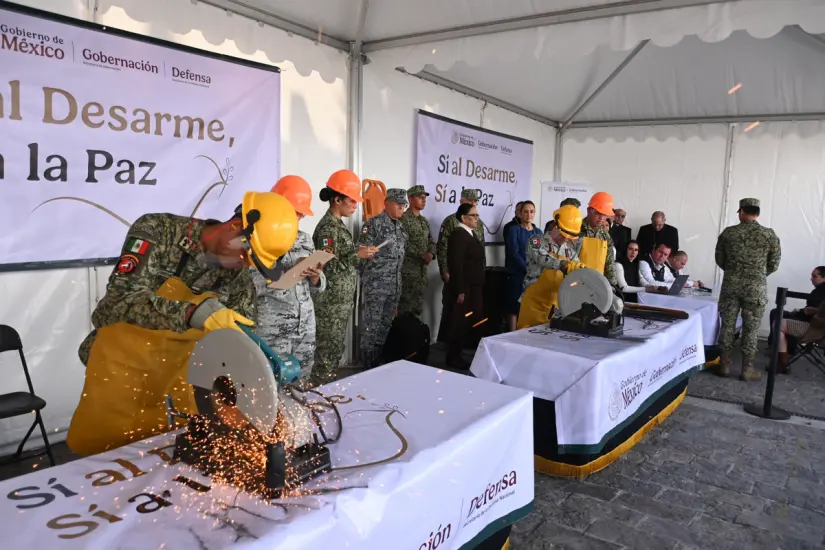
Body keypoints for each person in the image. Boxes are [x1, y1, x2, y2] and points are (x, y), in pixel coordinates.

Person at [68, 191, 300, 456]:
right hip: (121, 383)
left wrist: (261, 403)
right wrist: (191, 313)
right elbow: (116, 304)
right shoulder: (159, 231)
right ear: (236, 227)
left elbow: (242, 353)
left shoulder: (239, 282)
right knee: (104, 467)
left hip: (179, 396)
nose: (245, 265)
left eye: (253, 262)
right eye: (247, 254)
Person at [253, 176, 325, 381]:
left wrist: (315, 278)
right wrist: (288, 270)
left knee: (301, 383)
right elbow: (250, 283)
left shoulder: (304, 238)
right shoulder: (258, 238)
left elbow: (317, 287)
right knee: (271, 385)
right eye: (296, 211)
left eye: (302, 213)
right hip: (274, 329)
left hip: (305, 327)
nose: (300, 216)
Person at [311, 170, 378, 387]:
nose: (355, 205)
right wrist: (355, 254)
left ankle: (325, 395)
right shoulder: (327, 228)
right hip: (329, 304)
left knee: (333, 351)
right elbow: (326, 264)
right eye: (352, 200)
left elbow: (342, 258)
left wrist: (359, 253)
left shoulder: (339, 226)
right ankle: (318, 398)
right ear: (336, 199)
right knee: (326, 355)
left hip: (339, 303)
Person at [711, 198, 781, 381]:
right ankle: (746, 369)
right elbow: (774, 264)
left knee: (727, 325)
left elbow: (720, 259)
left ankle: (724, 365)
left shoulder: (729, 233)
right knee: (751, 329)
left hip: (731, 286)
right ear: (757, 213)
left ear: (741, 211)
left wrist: (734, 271)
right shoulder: (769, 235)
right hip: (755, 289)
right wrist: (757, 274)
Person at [358, 188, 410, 368]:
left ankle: (378, 360)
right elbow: (361, 252)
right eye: (398, 204)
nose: (402, 208)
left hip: (394, 285)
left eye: (404, 205)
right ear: (386, 203)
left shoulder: (402, 227)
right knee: (371, 326)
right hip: (376, 285)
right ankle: (366, 364)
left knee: (385, 325)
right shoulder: (373, 224)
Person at [518, 205, 586, 330]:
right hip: (533, 305)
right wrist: (563, 265)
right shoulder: (536, 241)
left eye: (570, 236)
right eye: (563, 233)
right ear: (555, 225)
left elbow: (578, 268)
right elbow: (543, 258)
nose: (566, 238)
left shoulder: (569, 250)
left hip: (556, 307)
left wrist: (581, 270)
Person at [436, 189, 485, 342]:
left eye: (475, 202)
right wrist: (444, 269)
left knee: (469, 314)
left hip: (472, 276)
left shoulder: (478, 224)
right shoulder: (452, 222)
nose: (473, 205)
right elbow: (445, 249)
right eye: (470, 202)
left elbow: (480, 247)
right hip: (458, 275)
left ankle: (464, 344)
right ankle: (446, 345)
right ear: (462, 203)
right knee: (453, 310)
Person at [446, 203, 487, 369]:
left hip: (473, 285)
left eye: (477, 215)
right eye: (474, 215)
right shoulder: (459, 234)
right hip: (465, 287)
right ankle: (453, 357)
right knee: (459, 322)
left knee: (473, 319)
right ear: (463, 218)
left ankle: (462, 352)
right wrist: (460, 290)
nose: (477, 219)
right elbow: (456, 264)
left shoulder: (469, 233)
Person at [398, 185, 437, 317]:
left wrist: (431, 253)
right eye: (420, 197)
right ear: (410, 199)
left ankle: (414, 336)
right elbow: (403, 242)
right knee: (405, 309)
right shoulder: (403, 219)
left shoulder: (424, 221)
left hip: (421, 273)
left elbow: (431, 241)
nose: (424, 200)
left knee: (417, 309)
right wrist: (422, 255)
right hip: (408, 272)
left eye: (425, 197)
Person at [504, 200, 542, 331]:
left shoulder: (538, 232)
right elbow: (513, 253)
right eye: (525, 211)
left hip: (534, 277)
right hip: (518, 274)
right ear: (520, 213)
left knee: (530, 306)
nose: (528, 214)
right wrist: (527, 268)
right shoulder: (514, 230)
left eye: (531, 212)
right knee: (514, 306)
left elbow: (541, 253)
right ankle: (512, 334)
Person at [768, 265, 825, 347]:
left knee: (776, 313)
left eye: (814, 276)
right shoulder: (819, 290)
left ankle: (776, 346)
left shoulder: (820, 291)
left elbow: (813, 311)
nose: (811, 279)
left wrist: (805, 311)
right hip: (813, 324)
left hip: (810, 325)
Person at [580, 192, 618, 286]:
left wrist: (611, 286)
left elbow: (609, 264)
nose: (601, 218)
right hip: (576, 283)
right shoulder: (576, 230)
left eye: (605, 215)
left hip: (597, 286)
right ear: (589, 210)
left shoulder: (605, 236)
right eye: (598, 213)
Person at [776, 301, 825, 374]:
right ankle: (782, 359)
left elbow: (820, 321)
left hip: (816, 331)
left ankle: (783, 362)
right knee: (780, 322)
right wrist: (816, 311)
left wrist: (815, 316)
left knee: (778, 324)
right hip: (817, 330)